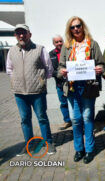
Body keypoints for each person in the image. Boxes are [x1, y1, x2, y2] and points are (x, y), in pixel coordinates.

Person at [58, 16, 105, 164]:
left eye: (78, 26)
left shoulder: (92, 44)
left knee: (87, 118)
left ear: (83, 27)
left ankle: (89, 150)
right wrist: (63, 71)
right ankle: (79, 149)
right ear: (69, 30)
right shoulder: (67, 46)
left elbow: (101, 64)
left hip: (88, 87)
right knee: (76, 120)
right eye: (72, 27)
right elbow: (59, 67)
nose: (76, 29)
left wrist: (99, 69)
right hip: (72, 87)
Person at [6, 24, 56, 156]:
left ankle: (48, 142)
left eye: (24, 32)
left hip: (37, 92)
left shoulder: (39, 49)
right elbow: (9, 69)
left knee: (42, 118)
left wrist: (40, 81)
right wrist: (16, 81)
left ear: (29, 34)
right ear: (15, 35)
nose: (21, 35)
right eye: (18, 33)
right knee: (24, 119)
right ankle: (29, 144)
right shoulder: (11, 51)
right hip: (19, 93)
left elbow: (48, 68)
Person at [49, 35, 72, 130]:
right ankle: (67, 121)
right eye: (56, 42)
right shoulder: (51, 54)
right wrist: (59, 74)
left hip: (71, 83)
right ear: (53, 43)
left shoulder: (69, 50)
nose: (59, 43)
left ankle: (76, 121)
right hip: (59, 84)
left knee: (73, 102)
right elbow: (50, 70)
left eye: (60, 41)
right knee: (63, 103)